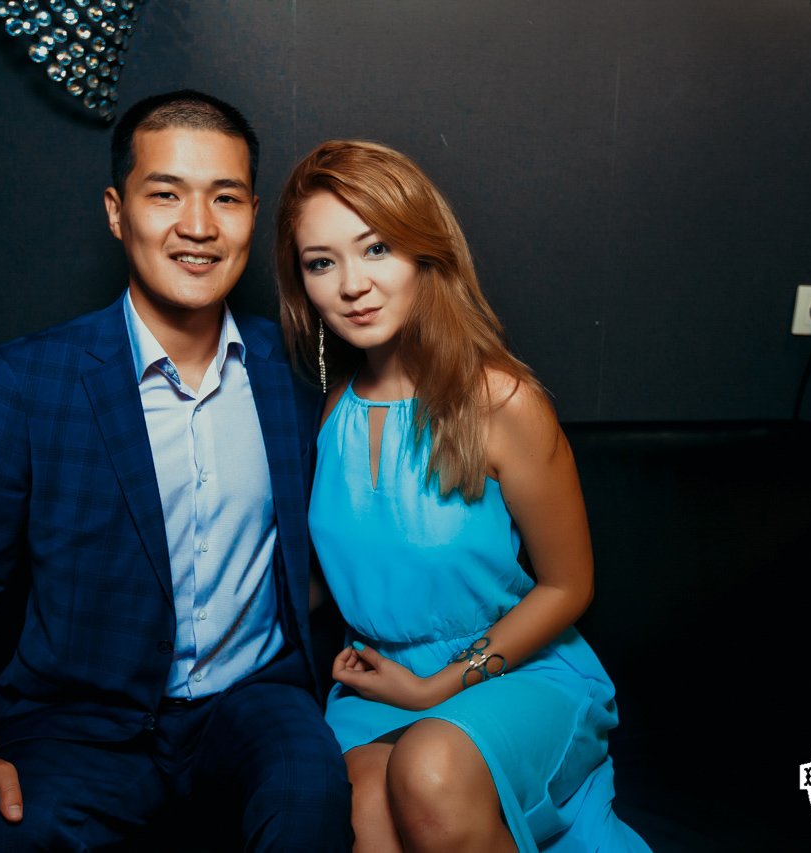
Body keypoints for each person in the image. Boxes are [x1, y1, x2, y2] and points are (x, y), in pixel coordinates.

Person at [0, 91, 351, 853]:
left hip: (253, 702)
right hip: (78, 723)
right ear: (117, 212)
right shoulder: (30, 379)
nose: (199, 226)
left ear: (252, 215)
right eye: (165, 194)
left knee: (312, 797)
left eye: (226, 197)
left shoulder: (296, 373)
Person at [275, 140, 650, 853]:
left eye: (377, 248)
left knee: (431, 769)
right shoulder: (328, 409)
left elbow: (569, 585)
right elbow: (329, 572)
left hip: (509, 670)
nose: (352, 284)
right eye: (322, 262)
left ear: (425, 253)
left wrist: (436, 687)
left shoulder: (501, 400)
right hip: (377, 680)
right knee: (362, 811)